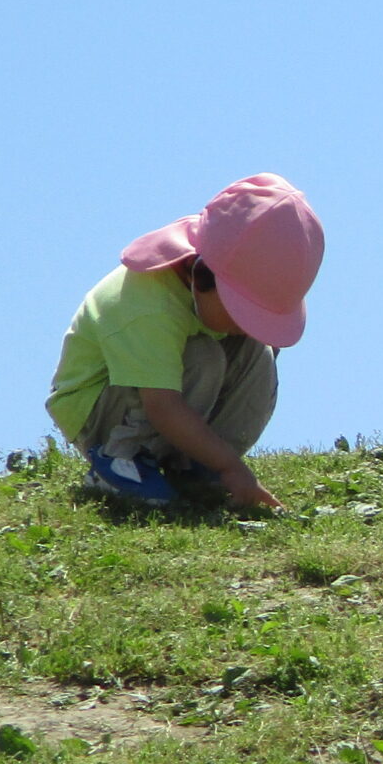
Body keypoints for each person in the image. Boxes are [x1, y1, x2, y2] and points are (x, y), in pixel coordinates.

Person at [45, 174, 324, 512]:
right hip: (99, 408)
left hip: (166, 399)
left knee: (257, 353)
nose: (245, 326)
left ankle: (197, 465)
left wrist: (223, 461)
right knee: (204, 358)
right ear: (203, 278)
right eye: (241, 313)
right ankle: (121, 461)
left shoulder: (206, 295)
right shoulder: (147, 306)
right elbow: (161, 405)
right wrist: (231, 468)